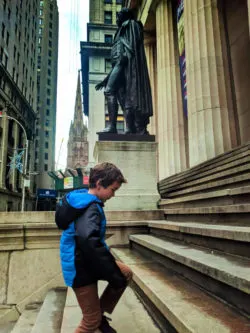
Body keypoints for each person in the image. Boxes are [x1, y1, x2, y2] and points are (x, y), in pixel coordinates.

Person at [60, 162, 133, 333]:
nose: (113, 195)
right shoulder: (89, 207)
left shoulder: (84, 200)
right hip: (80, 267)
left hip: (86, 261)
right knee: (89, 321)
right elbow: (89, 241)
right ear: (99, 184)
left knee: (125, 273)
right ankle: (96, 319)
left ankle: (100, 316)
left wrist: (114, 273)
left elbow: (89, 243)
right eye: (113, 190)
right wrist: (111, 273)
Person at [95, 8, 153, 135]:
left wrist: (123, 61)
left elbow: (131, 47)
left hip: (125, 64)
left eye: (118, 15)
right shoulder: (121, 31)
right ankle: (130, 127)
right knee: (125, 99)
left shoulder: (131, 25)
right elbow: (117, 58)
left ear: (125, 16)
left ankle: (112, 127)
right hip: (120, 66)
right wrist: (105, 80)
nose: (116, 18)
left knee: (110, 91)